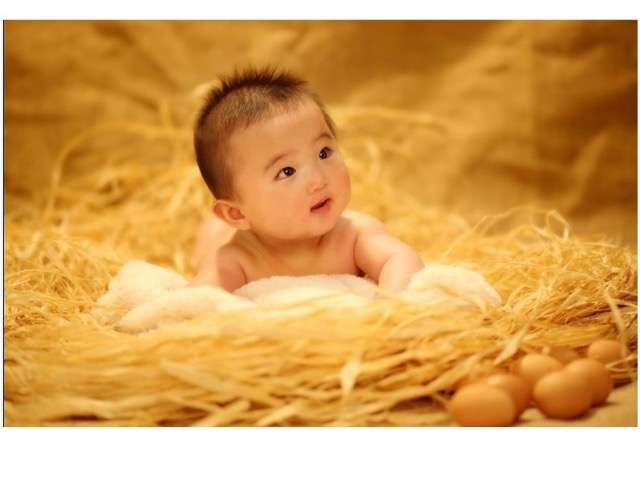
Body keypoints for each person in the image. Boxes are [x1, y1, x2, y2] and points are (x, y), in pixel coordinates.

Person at [190, 66, 425, 293]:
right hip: (225, 232)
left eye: (323, 153)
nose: (318, 180)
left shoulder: (354, 234)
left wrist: (387, 304)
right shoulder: (236, 259)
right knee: (211, 239)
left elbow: (401, 260)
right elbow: (199, 300)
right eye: (287, 171)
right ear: (237, 213)